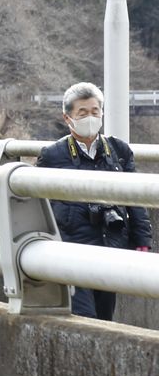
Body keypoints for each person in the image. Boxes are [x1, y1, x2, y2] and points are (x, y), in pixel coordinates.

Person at [36, 82, 152, 321]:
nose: (90, 117)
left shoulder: (119, 150)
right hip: (72, 247)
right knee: (83, 315)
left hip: (112, 244)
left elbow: (135, 197)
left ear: (102, 112)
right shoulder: (53, 154)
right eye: (82, 113)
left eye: (95, 111)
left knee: (104, 316)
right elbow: (37, 200)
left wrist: (142, 240)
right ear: (67, 117)